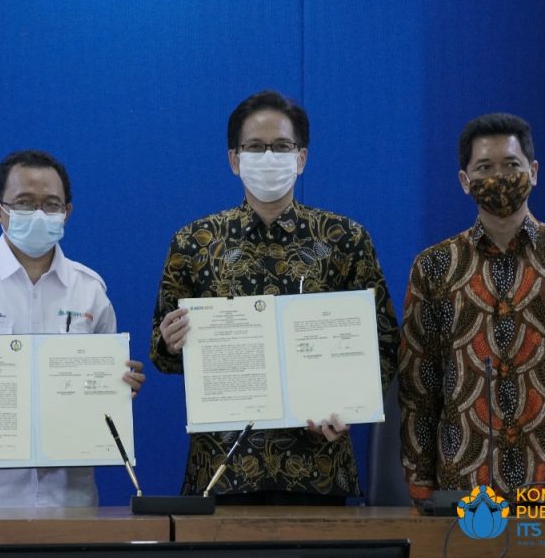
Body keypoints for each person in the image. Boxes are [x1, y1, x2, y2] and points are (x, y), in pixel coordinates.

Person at [151, 90, 399, 504]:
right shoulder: (194, 242)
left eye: (282, 146)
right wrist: (171, 341)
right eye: (255, 147)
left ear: (301, 158)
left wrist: (351, 406)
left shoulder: (345, 239)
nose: (269, 157)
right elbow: (162, 354)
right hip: (222, 469)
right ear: (234, 159)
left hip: (318, 466)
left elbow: (385, 342)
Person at [398, 113, 545, 503]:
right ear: (465, 180)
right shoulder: (435, 267)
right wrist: (420, 483)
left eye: (511, 165)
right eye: (484, 168)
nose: (499, 177)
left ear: (533, 172)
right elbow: (418, 384)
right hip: (463, 486)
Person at [0, 149, 145, 508]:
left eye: (51, 204)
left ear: (67, 213)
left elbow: (108, 379)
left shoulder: (90, 289)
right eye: (24, 203)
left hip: (68, 497)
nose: (38, 214)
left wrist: (120, 384)